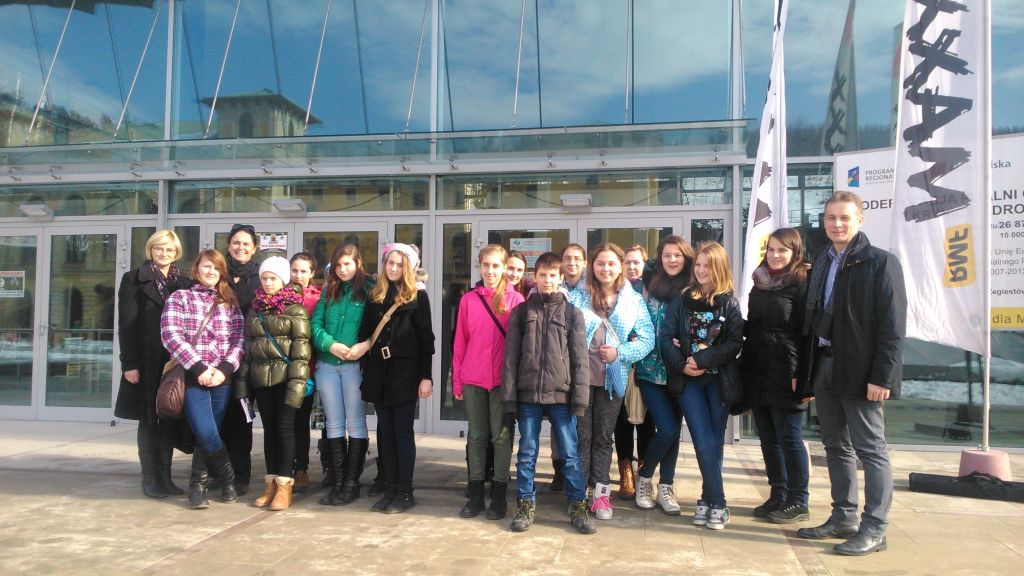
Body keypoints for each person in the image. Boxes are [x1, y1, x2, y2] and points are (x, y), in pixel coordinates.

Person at [796, 191, 906, 556]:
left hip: (861, 371)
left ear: (860, 220)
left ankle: (874, 527)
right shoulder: (822, 261)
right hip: (825, 363)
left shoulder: (880, 262)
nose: (837, 224)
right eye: (831, 218)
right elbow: (813, 319)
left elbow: (892, 326)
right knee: (835, 446)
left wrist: (883, 377)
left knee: (870, 450)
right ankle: (842, 517)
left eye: (845, 217)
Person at [502, 252, 595, 534]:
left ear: (560, 277)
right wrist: (509, 397)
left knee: (569, 454)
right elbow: (511, 358)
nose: (547, 280)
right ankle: (525, 504)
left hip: (561, 396)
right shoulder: (522, 312)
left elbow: (580, 360)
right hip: (528, 395)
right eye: (542, 275)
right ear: (535, 276)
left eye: (553, 275)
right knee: (527, 452)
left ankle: (578, 506)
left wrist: (579, 400)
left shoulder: (572, 313)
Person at [660, 242, 743, 530]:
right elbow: (665, 337)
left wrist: (702, 359)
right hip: (689, 380)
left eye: (707, 265)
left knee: (714, 442)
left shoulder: (729, 303)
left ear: (719, 268)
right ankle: (719, 503)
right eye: (698, 264)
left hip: (719, 381)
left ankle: (707, 500)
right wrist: (683, 365)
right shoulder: (682, 300)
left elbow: (734, 343)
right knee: (702, 439)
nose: (701, 270)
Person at [569, 242, 654, 521]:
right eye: (600, 263)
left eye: (611, 264)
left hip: (612, 380)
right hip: (580, 377)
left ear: (620, 267)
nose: (606, 268)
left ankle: (601, 494)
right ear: (592, 266)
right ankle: (579, 494)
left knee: (604, 438)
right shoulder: (578, 295)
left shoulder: (633, 300)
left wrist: (621, 353)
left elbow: (647, 339)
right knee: (582, 438)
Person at [349, 243, 435, 514]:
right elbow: (365, 333)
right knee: (384, 432)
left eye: (399, 264)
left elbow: (426, 340)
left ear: (408, 267)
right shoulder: (375, 296)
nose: (394, 268)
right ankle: (389, 487)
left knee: (402, 432)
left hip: (405, 373)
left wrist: (426, 377)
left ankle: (405, 491)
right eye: (390, 263)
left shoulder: (418, 297)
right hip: (379, 372)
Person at [160, 249, 245, 510]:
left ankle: (198, 487)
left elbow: (239, 340)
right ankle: (228, 478)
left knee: (208, 433)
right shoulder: (180, 297)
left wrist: (223, 370)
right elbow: (170, 334)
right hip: (192, 377)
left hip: (221, 379)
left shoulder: (230, 302)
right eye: (207, 266)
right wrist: (199, 368)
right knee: (206, 431)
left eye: (216, 268)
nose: (211, 272)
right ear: (197, 269)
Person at [742, 228, 813, 523]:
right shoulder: (759, 281)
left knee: (790, 436)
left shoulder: (803, 282)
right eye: (771, 249)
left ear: (795, 252)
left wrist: (802, 374)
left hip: (787, 367)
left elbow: (806, 333)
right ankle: (778, 493)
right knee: (768, 437)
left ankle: (799, 499)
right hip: (757, 365)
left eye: (782, 250)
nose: (775, 255)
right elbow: (752, 324)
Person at [115, 230, 192, 499]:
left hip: (173, 360)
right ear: (151, 250)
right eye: (159, 248)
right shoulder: (133, 279)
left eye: (169, 249)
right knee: (149, 420)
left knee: (169, 416)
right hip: (146, 360)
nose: (164, 253)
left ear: (176, 253)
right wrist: (129, 364)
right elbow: (127, 324)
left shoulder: (183, 282)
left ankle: (165, 476)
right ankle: (149, 478)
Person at [235, 256, 312, 511]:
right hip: (261, 381)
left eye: (273, 278)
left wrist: (297, 386)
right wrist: (243, 386)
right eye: (264, 278)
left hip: (285, 380)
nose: (268, 283)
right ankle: (270, 484)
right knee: (269, 432)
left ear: (283, 280)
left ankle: (284, 485)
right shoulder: (255, 309)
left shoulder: (295, 309)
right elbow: (248, 350)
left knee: (285, 430)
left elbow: (301, 353)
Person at [454, 245, 525, 520]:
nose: (490, 271)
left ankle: (498, 496)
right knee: (477, 436)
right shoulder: (468, 300)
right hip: (473, 378)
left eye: (496, 266)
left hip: (502, 382)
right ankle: (474, 495)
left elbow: (521, 346)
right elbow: (460, 342)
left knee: (502, 438)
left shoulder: (516, 300)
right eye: (486, 265)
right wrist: (457, 380)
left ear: (505, 267)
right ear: (479, 266)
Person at [631, 236, 695, 515]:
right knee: (667, 429)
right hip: (650, 369)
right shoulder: (648, 285)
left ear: (686, 258)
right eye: (667, 255)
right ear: (659, 258)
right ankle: (645, 478)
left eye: (677, 255)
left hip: (679, 369)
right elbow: (633, 320)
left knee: (673, 432)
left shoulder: (692, 288)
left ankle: (666, 486)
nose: (672, 260)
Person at [311, 244, 372, 506]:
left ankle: (351, 483)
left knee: (355, 422)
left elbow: (379, 325)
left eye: (347, 264)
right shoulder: (328, 290)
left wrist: (365, 345)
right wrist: (330, 344)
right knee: (334, 424)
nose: (343, 269)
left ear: (358, 263)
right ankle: (338, 483)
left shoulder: (369, 290)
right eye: (338, 265)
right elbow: (315, 324)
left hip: (354, 366)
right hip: (328, 364)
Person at [219, 223, 262, 495]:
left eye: (246, 244)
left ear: (254, 248)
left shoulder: (260, 278)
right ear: (228, 245)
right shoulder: (218, 273)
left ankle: (241, 474)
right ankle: (219, 472)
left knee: (241, 418)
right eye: (236, 242)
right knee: (218, 417)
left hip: (248, 359)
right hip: (217, 357)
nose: (241, 247)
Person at [614, 244, 656, 499]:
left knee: (647, 424)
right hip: (621, 366)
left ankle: (644, 473)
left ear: (644, 263)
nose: (631, 267)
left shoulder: (653, 290)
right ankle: (625, 474)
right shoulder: (616, 289)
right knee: (622, 422)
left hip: (647, 366)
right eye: (627, 262)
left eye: (636, 262)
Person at [547, 243, 589, 490]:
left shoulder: (592, 289)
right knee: (559, 420)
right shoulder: (552, 285)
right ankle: (559, 468)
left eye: (577, 258)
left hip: (584, 362)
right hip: (557, 364)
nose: (572, 263)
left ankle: (582, 471)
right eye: (567, 258)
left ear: (584, 263)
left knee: (580, 421)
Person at [289, 252, 321, 493]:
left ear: (312, 273)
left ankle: (301, 468)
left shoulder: (318, 299)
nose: (298, 275)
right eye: (294, 270)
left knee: (300, 421)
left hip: (307, 370)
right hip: (281, 368)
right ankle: (282, 467)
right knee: (284, 422)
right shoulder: (279, 295)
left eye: (303, 271)